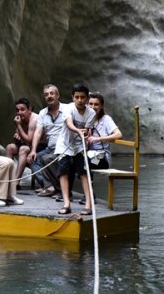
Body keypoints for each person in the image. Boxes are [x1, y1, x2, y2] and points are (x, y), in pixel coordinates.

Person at [53, 83, 95, 215]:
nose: (80, 100)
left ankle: (88, 205)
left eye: (83, 97)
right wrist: (78, 130)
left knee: (84, 173)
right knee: (63, 172)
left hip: (80, 145)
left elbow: (88, 129)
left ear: (87, 98)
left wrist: (85, 133)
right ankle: (66, 204)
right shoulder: (68, 108)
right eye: (77, 97)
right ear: (73, 97)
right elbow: (69, 123)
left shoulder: (91, 113)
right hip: (65, 144)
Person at [28, 84, 70, 196]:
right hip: (50, 148)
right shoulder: (42, 113)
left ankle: (52, 187)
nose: (49, 96)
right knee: (33, 159)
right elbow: (38, 132)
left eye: (52, 93)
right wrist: (33, 150)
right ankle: (48, 186)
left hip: (64, 148)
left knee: (46, 159)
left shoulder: (67, 109)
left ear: (58, 95)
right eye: (46, 94)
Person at [6, 98, 38, 188]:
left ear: (29, 110)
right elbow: (18, 141)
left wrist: (19, 125)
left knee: (24, 149)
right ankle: (8, 179)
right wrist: (16, 138)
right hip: (27, 146)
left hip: (38, 147)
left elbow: (29, 140)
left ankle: (16, 182)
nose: (19, 112)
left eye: (22, 110)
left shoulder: (34, 120)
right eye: (17, 110)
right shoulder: (20, 119)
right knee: (10, 147)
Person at [86, 93, 122, 170]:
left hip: (102, 158)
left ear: (101, 106)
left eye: (96, 104)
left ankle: (89, 181)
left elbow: (118, 134)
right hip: (88, 155)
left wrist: (98, 139)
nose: (93, 107)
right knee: (73, 163)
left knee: (85, 163)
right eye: (90, 104)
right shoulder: (85, 119)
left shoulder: (106, 119)